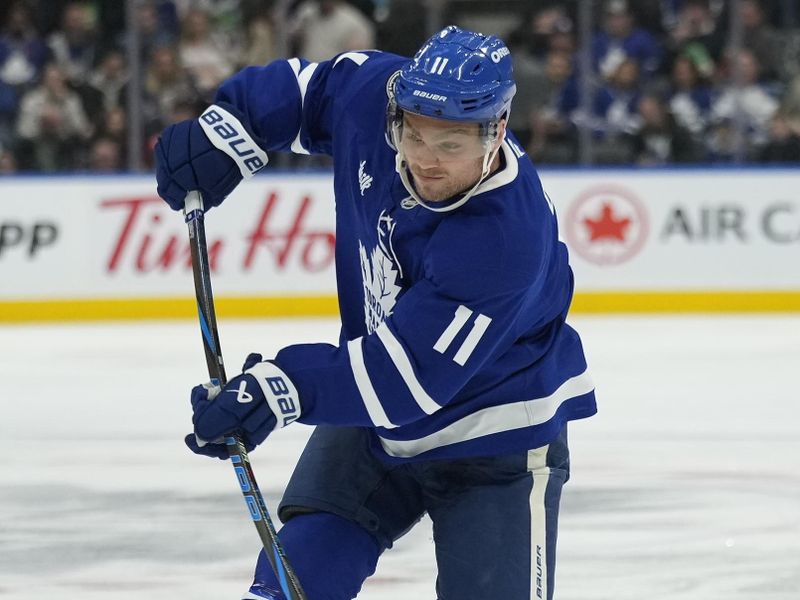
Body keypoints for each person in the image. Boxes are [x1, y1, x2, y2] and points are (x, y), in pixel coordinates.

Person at [155, 25, 597, 600]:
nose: (426, 161)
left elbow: (404, 381)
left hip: (495, 439)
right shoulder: (376, 95)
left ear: (498, 130)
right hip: (372, 420)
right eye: (415, 137)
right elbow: (305, 91)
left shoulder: (506, 237)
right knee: (290, 587)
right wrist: (227, 131)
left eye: (451, 145)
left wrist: (277, 388)